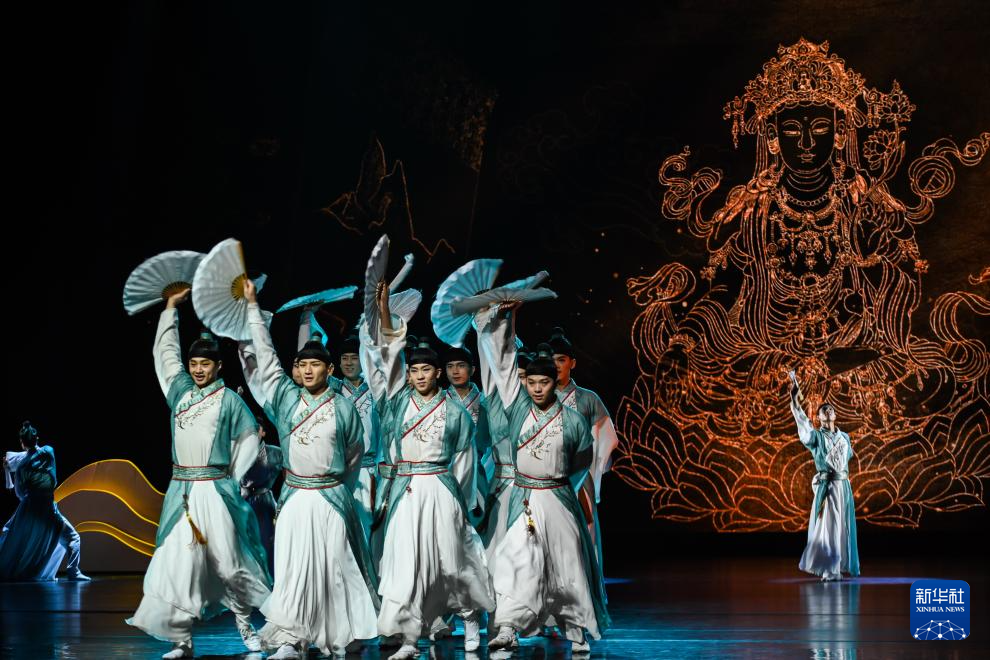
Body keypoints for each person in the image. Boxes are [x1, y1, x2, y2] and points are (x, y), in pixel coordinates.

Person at [127, 287, 271, 660]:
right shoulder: (179, 391)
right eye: (194, 363)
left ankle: (245, 625)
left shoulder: (229, 400)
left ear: (218, 366)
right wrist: (170, 309)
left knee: (230, 563)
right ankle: (182, 641)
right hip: (182, 492)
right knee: (178, 564)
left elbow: (248, 440)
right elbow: (165, 355)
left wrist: (232, 477)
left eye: (205, 364)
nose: (198, 369)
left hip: (215, 491)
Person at [243, 280, 379, 659]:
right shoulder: (286, 399)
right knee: (293, 571)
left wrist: (335, 486)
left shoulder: (343, 406)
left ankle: (336, 634)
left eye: (314, 364)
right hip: (295, 497)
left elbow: (355, 453)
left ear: (329, 369)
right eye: (301, 364)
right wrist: (253, 307)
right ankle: (291, 639)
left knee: (334, 568)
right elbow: (266, 356)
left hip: (331, 497)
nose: (306, 370)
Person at [365, 282, 493, 660]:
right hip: (406, 489)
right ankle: (410, 638)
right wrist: (384, 311)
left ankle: (469, 618)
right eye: (414, 370)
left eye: (426, 370)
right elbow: (388, 354)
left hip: (441, 487)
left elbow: (464, 460)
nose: (419, 376)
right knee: (406, 563)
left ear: (438, 373)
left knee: (452, 557)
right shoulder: (397, 402)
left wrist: (463, 501)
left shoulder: (454, 411)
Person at [477, 305, 610, 653]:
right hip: (524, 499)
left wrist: (563, 484)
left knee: (567, 564)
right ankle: (508, 627)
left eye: (544, 382)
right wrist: (507, 321)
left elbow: (582, 460)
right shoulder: (518, 409)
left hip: (558, 497)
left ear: (555, 382)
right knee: (516, 560)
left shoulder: (573, 420)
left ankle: (576, 630)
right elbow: (504, 364)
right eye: (532, 383)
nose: (537, 389)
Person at [546, 327, 618, 573]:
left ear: (572, 363)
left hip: (579, 476)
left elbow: (606, 438)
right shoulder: (539, 398)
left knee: (584, 533)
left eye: (561, 360)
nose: (556, 366)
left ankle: (587, 587)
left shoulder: (588, 399)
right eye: (551, 360)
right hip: (546, 476)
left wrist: (593, 465)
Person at [789, 371, 860, 581]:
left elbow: (847, 458)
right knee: (829, 525)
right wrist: (795, 400)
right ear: (819, 418)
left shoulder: (844, 437)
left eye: (830, 409)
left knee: (842, 526)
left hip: (843, 487)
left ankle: (838, 565)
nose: (828, 411)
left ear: (835, 415)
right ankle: (829, 568)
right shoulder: (816, 437)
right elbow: (802, 422)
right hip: (828, 487)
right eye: (823, 410)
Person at [0, 422, 89, 582]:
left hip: (29, 509)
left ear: (22, 443)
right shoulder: (48, 452)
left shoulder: (22, 467)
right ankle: (73, 571)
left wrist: (11, 464)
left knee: (12, 536)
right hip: (47, 508)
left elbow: (19, 492)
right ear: (37, 438)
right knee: (72, 537)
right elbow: (49, 475)